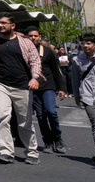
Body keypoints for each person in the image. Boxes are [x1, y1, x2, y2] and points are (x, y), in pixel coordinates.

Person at [0, 12, 43, 165]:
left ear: (12, 25)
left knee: (24, 121)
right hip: (0, 83)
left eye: (3, 23)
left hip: (22, 85)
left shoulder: (25, 41)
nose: (0, 26)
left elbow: (35, 61)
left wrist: (35, 78)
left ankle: (32, 152)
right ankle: (6, 152)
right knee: (2, 116)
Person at [24, 25, 67, 153]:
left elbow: (56, 71)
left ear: (40, 37)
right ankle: (47, 141)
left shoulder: (48, 52)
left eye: (35, 36)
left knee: (51, 111)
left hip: (48, 86)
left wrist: (62, 88)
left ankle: (58, 139)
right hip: (33, 88)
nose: (33, 38)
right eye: (30, 36)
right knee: (41, 116)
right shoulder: (24, 51)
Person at [70, 31, 95, 169]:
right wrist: (77, 95)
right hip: (87, 96)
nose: (85, 45)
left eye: (88, 43)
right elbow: (74, 79)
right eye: (83, 43)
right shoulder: (76, 60)